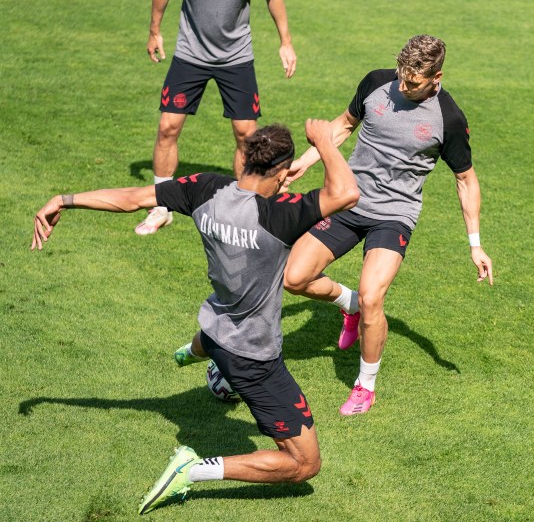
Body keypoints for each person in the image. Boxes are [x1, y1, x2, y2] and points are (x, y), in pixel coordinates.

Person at [32, 120, 359, 514]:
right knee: (305, 464)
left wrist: (63, 199)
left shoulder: (206, 189)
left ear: (244, 159)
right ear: (283, 171)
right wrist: (324, 141)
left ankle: (193, 352)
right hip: (253, 355)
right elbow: (346, 192)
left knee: (215, 341)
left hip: (216, 326)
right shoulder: (279, 216)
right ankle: (191, 470)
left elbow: (133, 198)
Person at [283, 34, 494, 416]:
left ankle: (365, 385)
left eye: (413, 83)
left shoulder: (448, 118)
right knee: (294, 278)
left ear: (436, 76)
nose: (403, 86)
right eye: (401, 76)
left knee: (373, 296)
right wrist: (306, 160)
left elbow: (466, 179)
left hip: (394, 214)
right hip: (348, 198)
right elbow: (344, 125)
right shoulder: (376, 82)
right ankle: (348, 306)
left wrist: (475, 243)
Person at [137, 0, 298, 236]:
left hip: (236, 58)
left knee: (246, 135)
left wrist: (285, 41)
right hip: (189, 54)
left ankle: (244, 208)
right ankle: (161, 206)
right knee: (168, 126)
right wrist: (154, 31)